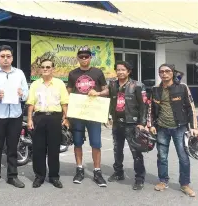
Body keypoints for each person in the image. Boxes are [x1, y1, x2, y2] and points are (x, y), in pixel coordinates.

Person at [0, 45, 29, 190]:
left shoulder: (19, 73)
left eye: (8, 56)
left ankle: (12, 176)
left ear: (12, 58)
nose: (6, 59)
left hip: (15, 115)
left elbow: (27, 93)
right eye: (2, 56)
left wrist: (22, 95)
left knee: (13, 147)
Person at [149, 63, 198, 197]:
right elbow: (151, 109)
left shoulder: (182, 88)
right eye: (161, 71)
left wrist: (194, 127)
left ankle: (185, 184)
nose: (164, 74)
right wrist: (151, 124)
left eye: (167, 71)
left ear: (172, 72)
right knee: (162, 156)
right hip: (162, 128)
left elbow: (191, 108)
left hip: (179, 128)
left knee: (183, 157)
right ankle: (163, 181)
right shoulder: (155, 90)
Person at [66, 45, 109, 187]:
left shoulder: (98, 72)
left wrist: (98, 93)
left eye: (86, 56)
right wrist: (66, 114)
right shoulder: (72, 74)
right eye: (81, 56)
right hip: (77, 114)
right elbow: (68, 93)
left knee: (96, 143)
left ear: (91, 57)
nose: (84, 59)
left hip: (94, 113)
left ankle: (97, 171)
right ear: (78, 58)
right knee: (77, 143)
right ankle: (79, 169)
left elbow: (106, 90)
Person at [26, 59, 69, 188]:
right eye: (43, 67)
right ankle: (39, 176)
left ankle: (54, 177)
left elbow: (64, 102)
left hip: (55, 119)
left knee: (54, 150)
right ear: (40, 69)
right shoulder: (35, 84)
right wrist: (29, 119)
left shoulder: (60, 83)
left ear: (52, 69)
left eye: (48, 67)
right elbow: (31, 103)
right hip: (39, 118)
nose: (45, 69)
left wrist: (66, 118)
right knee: (38, 149)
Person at [107, 61, 147, 190]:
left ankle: (139, 178)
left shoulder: (138, 85)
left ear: (129, 71)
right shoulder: (112, 84)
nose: (120, 72)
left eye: (123, 70)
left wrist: (142, 123)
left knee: (136, 152)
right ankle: (118, 173)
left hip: (132, 123)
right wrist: (108, 116)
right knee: (117, 149)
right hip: (117, 123)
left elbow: (144, 105)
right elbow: (109, 101)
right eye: (118, 70)